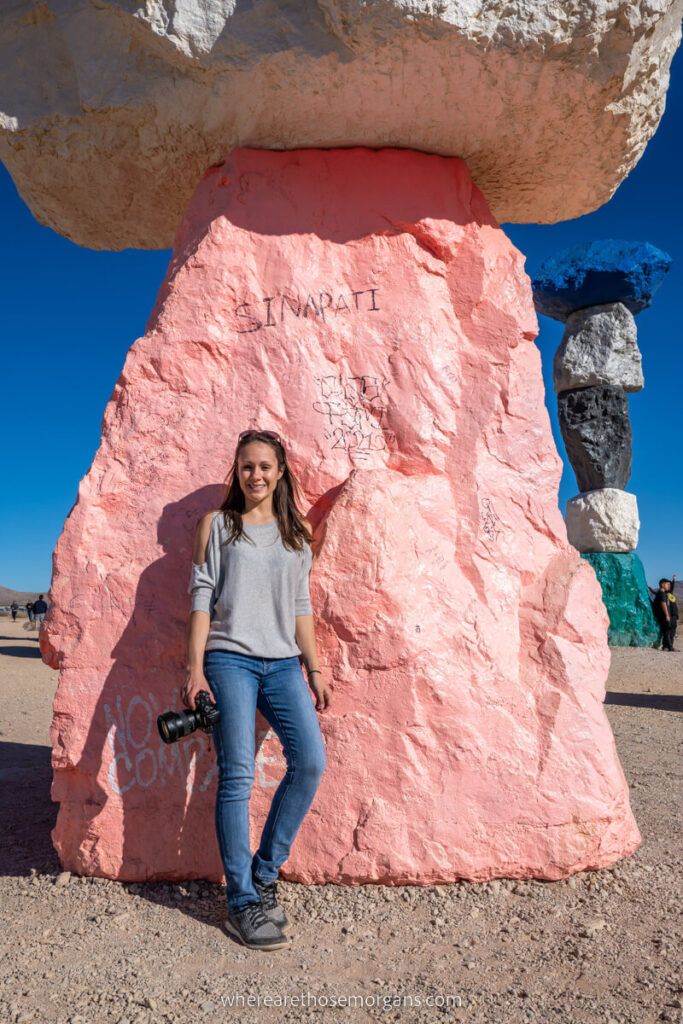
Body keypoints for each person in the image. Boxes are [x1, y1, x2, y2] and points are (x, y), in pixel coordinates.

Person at [183, 429, 332, 952]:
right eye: (246, 467)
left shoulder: (298, 534)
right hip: (230, 660)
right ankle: (242, 901)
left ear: (281, 471)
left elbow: (301, 607)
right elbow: (202, 599)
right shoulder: (217, 526)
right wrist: (194, 669)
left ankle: (265, 872)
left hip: (285, 664)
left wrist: (313, 668)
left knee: (310, 761)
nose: (255, 475)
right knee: (238, 775)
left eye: (265, 466)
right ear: (236, 471)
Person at [650, 578, 675, 652]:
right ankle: (669, 647)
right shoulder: (662, 593)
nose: (669, 586)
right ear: (662, 584)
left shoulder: (662, 593)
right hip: (664, 616)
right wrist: (667, 615)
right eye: (667, 584)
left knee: (669, 631)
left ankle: (667, 647)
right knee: (667, 631)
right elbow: (663, 604)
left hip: (665, 615)